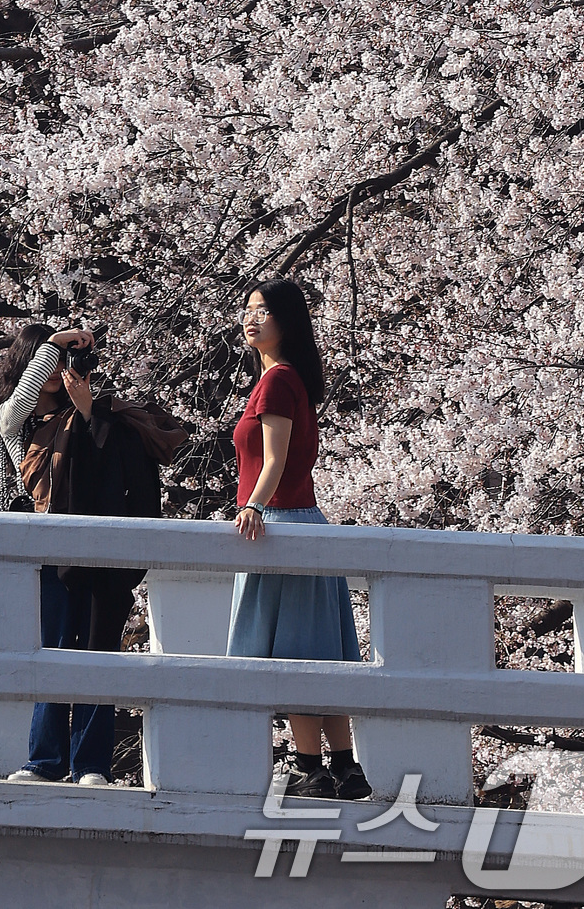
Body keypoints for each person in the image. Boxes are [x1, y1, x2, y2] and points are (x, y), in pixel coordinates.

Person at [0, 321, 187, 788]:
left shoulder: (97, 415)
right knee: (56, 654)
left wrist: (86, 414)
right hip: (50, 557)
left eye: (64, 362)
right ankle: (44, 761)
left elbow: (106, 479)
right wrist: (56, 343)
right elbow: (19, 402)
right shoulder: (16, 422)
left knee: (100, 654)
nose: (59, 370)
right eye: (50, 361)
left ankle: (92, 764)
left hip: (104, 556)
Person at [228, 278, 372, 800]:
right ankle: (346, 766)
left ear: (287, 321)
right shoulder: (286, 380)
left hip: (282, 523)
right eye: (247, 310)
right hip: (303, 519)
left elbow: (275, 459)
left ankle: (310, 766)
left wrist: (252, 505)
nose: (251, 319)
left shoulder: (277, 382)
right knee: (321, 648)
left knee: (294, 649)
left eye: (263, 311)